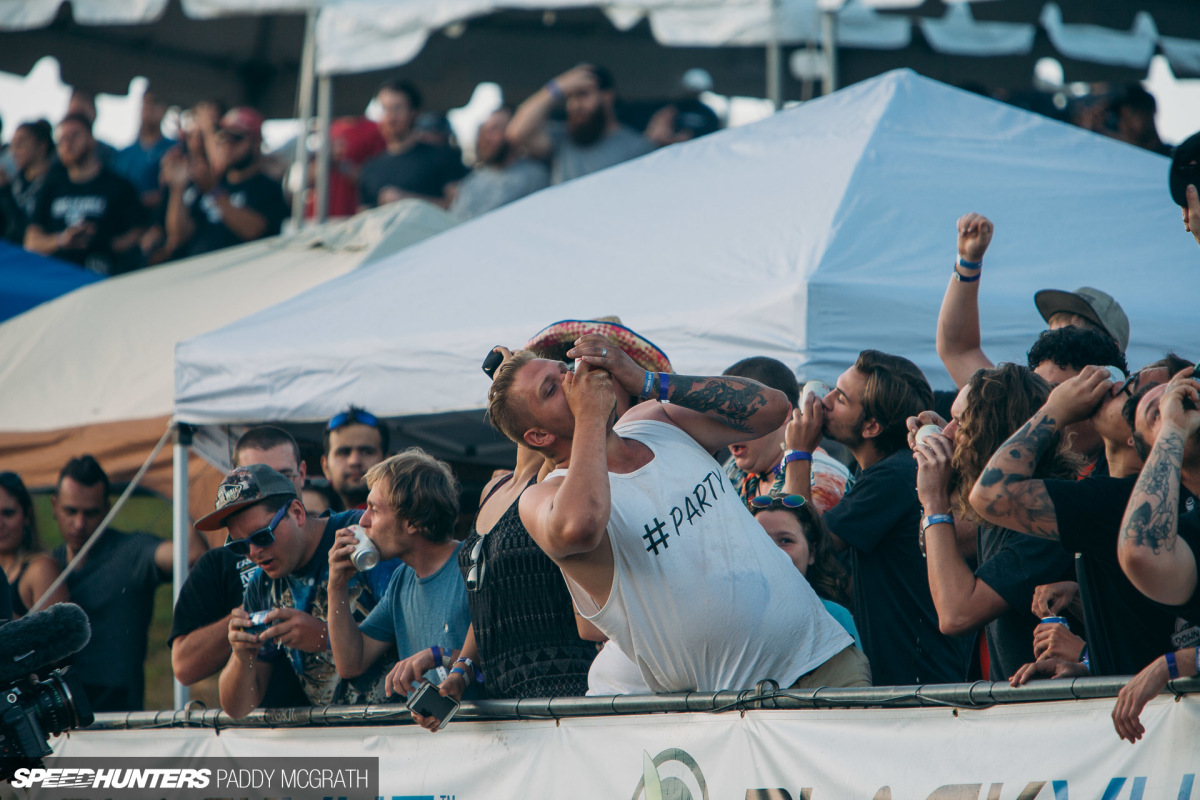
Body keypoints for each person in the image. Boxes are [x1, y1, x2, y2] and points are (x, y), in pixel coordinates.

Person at [485, 337, 857, 693]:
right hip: (737, 709)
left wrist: (646, 380)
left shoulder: (654, 419)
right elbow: (579, 526)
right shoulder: (542, 497)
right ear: (538, 437)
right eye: (551, 389)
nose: (572, 381)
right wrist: (590, 419)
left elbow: (773, 409)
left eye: (565, 369)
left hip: (826, 659)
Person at [971, 360, 1198, 677]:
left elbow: (991, 494)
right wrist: (1090, 662)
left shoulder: (1114, 499)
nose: (1115, 387)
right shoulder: (1120, 494)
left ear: (1139, 436)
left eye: (1135, 393)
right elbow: (1148, 638)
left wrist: (1055, 409)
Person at [791, 349, 974, 685]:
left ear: (871, 426)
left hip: (914, 683)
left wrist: (798, 452)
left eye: (840, 398)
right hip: (920, 674)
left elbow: (802, 541)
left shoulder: (891, 476)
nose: (825, 402)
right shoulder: (894, 470)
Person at [912, 364, 1076, 680]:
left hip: (1048, 704)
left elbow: (956, 614)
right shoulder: (1000, 505)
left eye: (961, 423)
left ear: (992, 435)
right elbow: (944, 542)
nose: (947, 433)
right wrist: (944, 475)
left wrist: (934, 500)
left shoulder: (1044, 516)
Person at [206, 465, 394, 717]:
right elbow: (238, 709)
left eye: (262, 536)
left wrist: (323, 636)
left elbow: (417, 626)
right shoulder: (262, 585)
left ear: (297, 513)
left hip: (405, 726)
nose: (253, 553)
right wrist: (242, 657)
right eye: (239, 546)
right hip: (337, 735)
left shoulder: (359, 536)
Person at [169, 426, 310, 706]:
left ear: (302, 474)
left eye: (283, 476)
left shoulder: (334, 537)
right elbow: (184, 667)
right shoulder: (219, 563)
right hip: (264, 725)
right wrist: (247, 619)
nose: (268, 488)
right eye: (254, 478)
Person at [51, 455, 205, 711]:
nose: (79, 524)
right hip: (58, 710)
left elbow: (191, 554)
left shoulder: (130, 552)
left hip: (118, 714)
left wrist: (175, 483)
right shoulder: (47, 565)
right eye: (71, 511)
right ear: (54, 505)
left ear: (108, 509)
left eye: (91, 513)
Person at [327, 450, 469, 694]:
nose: (363, 521)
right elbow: (351, 663)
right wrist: (336, 587)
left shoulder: (472, 566)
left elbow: (504, 661)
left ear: (413, 521)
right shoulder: (402, 579)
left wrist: (439, 656)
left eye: (374, 509)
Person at [935, 212, 1130, 391]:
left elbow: (959, 351)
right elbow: (959, 351)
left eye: (1074, 332)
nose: (1058, 343)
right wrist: (968, 262)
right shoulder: (1021, 400)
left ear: (1112, 354)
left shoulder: (1130, 413)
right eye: (1053, 332)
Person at [721, 356, 853, 514]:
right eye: (722, 416)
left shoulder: (823, 478)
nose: (728, 428)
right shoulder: (737, 470)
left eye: (739, 413)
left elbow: (799, 528)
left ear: (782, 413)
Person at [24, 114, 145, 275]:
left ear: (91, 139)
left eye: (75, 136)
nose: (68, 144)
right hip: (56, 277)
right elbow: (31, 242)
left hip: (103, 276)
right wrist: (62, 239)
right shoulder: (50, 187)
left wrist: (102, 243)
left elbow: (138, 233)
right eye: (62, 140)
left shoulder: (119, 186)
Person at [164, 106, 287, 258]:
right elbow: (178, 236)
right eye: (222, 137)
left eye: (236, 138)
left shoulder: (268, 187)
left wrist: (214, 192)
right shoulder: (208, 184)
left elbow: (255, 231)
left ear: (256, 143)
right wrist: (177, 188)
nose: (227, 144)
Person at [506, 64, 656, 185]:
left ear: (607, 96)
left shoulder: (637, 147)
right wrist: (557, 87)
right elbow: (515, 133)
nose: (575, 105)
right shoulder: (562, 138)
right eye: (569, 97)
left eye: (582, 94)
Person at [750, 493, 862, 651]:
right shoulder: (729, 617)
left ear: (812, 552)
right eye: (761, 539)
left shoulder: (833, 618)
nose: (772, 551)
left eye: (785, 540)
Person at [357, 79, 467, 210]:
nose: (390, 117)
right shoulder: (370, 168)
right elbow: (364, 215)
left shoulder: (443, 157)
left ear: (414, 113)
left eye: (397, 108)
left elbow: (458, 208)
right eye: (384, 109)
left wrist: (407, 200)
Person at [449, 106, 549, 221]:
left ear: (513, 132)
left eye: (495, 129)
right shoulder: (471, 182)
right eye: (483, 130)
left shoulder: (534, 176)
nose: (485, 137)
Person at [0, 472, 68, 617]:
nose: (0, 524)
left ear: (27, 515)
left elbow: (57, 629)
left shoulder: (40, 570)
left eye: (8, 513)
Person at [110, 86, 175, 210]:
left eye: (154, 102)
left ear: (165, 109)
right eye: (145, 102)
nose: (148, 108)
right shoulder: (123, 154)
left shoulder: (173, 149)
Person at [322, 406, 388, 510]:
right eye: (344, 452)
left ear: (387, 462)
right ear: (325, 466)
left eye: (366, 452)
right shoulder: (308, 514)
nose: (354, 461)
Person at [0, 120, 55, 245]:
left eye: (21, 142)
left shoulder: (55, 185)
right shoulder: (14, 183)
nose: (15, 149)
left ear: (42, 146)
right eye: (13, 144)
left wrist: (5, 191)